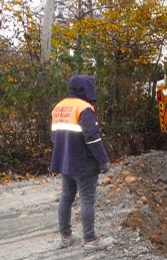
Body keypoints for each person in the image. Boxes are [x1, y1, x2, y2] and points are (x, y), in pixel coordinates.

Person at [50, 75, 114, 253]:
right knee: (87, 199)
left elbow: (54, 137)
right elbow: (92, 138)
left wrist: (66, 153)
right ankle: (89, 240)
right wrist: (103, 160)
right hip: (83, 164)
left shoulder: (59, 107)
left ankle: (66, 237)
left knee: (66, 197)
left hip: (65, 162)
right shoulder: (84, 108)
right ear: (86, 88)